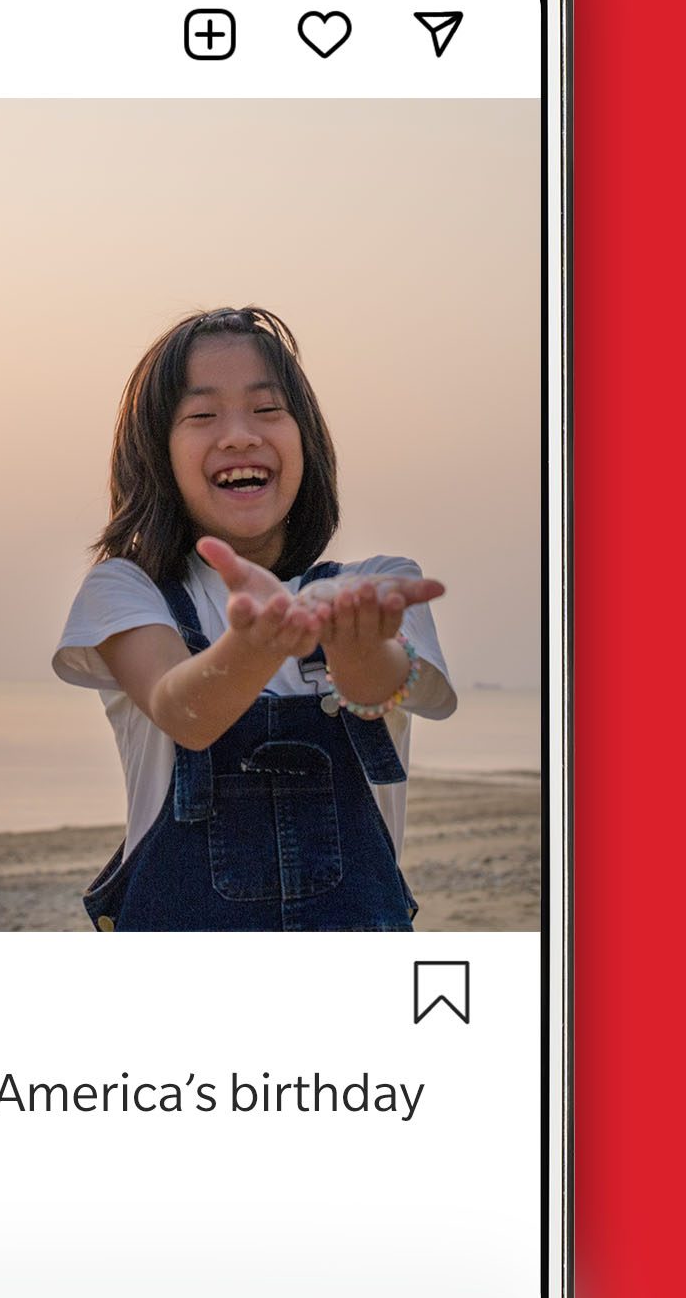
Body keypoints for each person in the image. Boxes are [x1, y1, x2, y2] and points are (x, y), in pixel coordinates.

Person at [54, 306, 455, 931]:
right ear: (158, 454)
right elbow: (182, 709)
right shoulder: (127, 591)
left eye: (267, 410)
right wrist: (255, 646)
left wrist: (354, 647)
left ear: (307, 440)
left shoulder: (378, 584)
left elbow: (383, 685)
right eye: (202, 415)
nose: (239, 434)